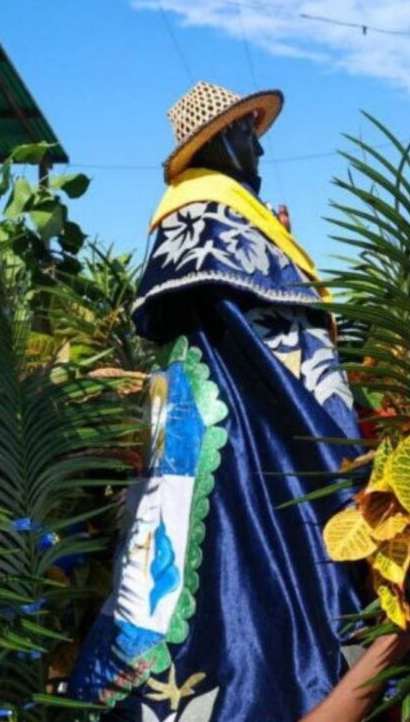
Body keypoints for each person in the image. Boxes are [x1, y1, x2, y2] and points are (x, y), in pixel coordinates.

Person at [71, 83, 363, 719]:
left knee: (225, 555)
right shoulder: (207, 212)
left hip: (198, 409)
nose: (259, 149)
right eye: (249, 134)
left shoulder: (209, 212)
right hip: (233, 419)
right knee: (235, 549)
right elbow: (267, 339)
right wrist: (316, 431)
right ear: (223, 140)